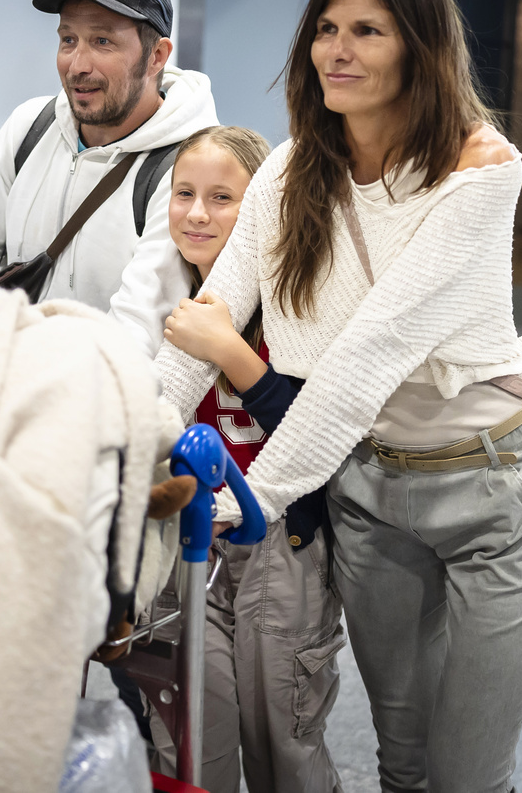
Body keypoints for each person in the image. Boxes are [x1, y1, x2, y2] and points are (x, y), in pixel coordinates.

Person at [157, 0, 522, 793]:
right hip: (371, 486)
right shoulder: (290, 166)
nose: (336, 50)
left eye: (368, 31)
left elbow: (370, 352)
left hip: (496, 490)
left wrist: (258, 496)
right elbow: (209, 317)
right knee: (405, 759)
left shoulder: (481, 169)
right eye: (326, 28)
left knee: (465, 774)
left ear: (419, 45)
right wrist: (128, 440)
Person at [156, 126, 343, 792]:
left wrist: (230, 349)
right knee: (190, 740)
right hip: (187, 546)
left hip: (283, 548)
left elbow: (316, 435)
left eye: (223, 197)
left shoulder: (297, 305)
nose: (199, 213)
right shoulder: (156, 298)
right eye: (185, 193)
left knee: (281, 743)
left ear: (262, 207)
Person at [0, 0, 218, 357]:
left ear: (156, 56)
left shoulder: (187, 165)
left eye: (102, 41)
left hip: (99, 403)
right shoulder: (28, 128)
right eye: (68, 39)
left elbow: (139, 333)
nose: (77, 65)